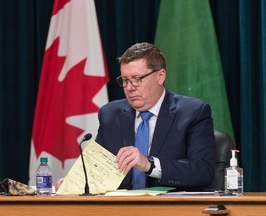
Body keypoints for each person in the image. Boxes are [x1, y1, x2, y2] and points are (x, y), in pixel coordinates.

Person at [55, 42, 216, 191]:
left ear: (160, 76)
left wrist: (150, 165)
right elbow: (98, 168)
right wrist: (75, 182)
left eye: (137, 79)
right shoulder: (110, 114)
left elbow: (202, 170)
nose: (130, 88)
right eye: (125, 80)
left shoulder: (193, 112)